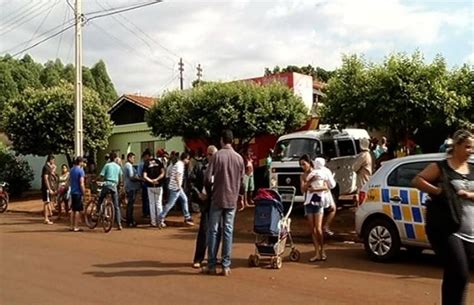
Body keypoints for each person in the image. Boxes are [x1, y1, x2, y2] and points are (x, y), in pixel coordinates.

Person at [412, 129, 473, 305]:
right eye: (468, 147)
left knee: (456, 274)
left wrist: (469, 195)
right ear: (456, 146)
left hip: (470, 228)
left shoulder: (472, 169)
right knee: (460, 272)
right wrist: (439, 191)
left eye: (472, 148)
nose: (471, 151)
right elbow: (417, 180)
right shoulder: (441, 167)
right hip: (448, 228)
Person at [203, 129, 245, 276]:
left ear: (222, 140)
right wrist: (240, 197)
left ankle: (212, 265)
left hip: (217, 198)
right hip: (231, 199)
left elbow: (207, 179)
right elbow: (242, 182)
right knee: (228, 231)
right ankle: (226, 266)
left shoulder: (217, 156)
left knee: (213, 231)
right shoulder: (239, 158)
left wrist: (210, 192)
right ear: (232, 141)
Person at [192, 145, 221, 268]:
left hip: (218, 202)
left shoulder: (220, 167)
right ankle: (198, 258)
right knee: (204, 230)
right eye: (209, 154)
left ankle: (213, 257)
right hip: (206, 204)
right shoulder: (200, 166)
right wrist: (198, 194)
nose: (211, 157)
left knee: (218, 231)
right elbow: (191, 182)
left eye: (214, 155)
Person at [300, 154, 329, 262]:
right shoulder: (303, 176)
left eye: (304, 164)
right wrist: (309, 182)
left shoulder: (319, 172)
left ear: (309, 163)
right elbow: (303, 190)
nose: (303, 166)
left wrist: (315, 190)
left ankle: (322, 250)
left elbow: (326, 187)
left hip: (318, 202)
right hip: (308, 204)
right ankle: (317, 252)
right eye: (301, 165)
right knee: (312, 229)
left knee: (318, 229)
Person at [159, 152, 195, 227]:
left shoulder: (179, 164)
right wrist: (179, 186)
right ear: (185, 159)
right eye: (187, 159)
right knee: (170, 204)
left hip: (176, 187)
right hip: (176, 188)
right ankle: (161, 217)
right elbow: (177, 176)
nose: (188, 161)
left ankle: (187, 216)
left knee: (184, 199)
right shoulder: (180, 165)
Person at [98, 152, 123, 230]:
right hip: (114, 186)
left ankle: (97, 212)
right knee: (116, 206)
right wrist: (120, 185)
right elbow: (121, 178)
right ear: (115, 158)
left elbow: (101, 176)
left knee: (100, 198)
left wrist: (95, 179)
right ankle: (119, 224)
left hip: (107, 184)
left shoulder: (107, 165)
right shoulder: (118, 167)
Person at [313, 158, 337, 237]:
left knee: (316, 212)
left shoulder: (312, 171)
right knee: (332, 209)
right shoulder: (326, 171)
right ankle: (325, 227)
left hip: (313, 195)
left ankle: (316, 229)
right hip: (324, 195)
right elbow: (332, 185)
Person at [143, 150, 165, 227]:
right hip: (159, 185)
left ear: (148, 156)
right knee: (159, 203)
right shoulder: (159, 162)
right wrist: (157, 179)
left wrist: (151, 181)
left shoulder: (146, 164)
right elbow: (163, 173)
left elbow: (144, 176)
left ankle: (153, 222)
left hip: (150, 186)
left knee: (151, 204)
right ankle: (161, 221)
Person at [123, 152, 141, 227]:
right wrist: (139, 179)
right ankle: (129, 221)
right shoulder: (129, 165)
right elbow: (131, 177)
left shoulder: (128, 165)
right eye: (133, 158)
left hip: (130, 187)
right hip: (131, 187)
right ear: (129, 158)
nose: (134, 159)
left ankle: (129, 220)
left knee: (130, 204)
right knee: (130, 205)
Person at [69, 157, 85, 232]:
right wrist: (83, 192)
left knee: (73, 210)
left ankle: (71, 226)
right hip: (78, 192)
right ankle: (76, 226)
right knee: (77, 210)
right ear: (80, 162)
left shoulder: (72, 170)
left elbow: (69, 180)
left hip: (72, 191)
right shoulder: (81, 171)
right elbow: (81, 183)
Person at [41, 155, 56, 224]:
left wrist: (53, 169)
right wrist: (49, 188)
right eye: (53, 160)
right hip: (46, 188)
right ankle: (46, 219)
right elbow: (46, 178)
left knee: (47, 201)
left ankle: (47, 217)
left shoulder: (48, 168)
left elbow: (51, 174)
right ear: (50, 160)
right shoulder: (46, 168)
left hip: (47, 187)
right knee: (46, 202)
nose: (53, 162)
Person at [138, 149, 151, 218]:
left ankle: (147, 212)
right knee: (145, 198)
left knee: (147, 198)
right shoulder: (141, 164)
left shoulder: (149, 163)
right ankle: (146, 212)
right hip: (145, 183)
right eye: (147, 156)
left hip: (147, 183)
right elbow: (140, 174)